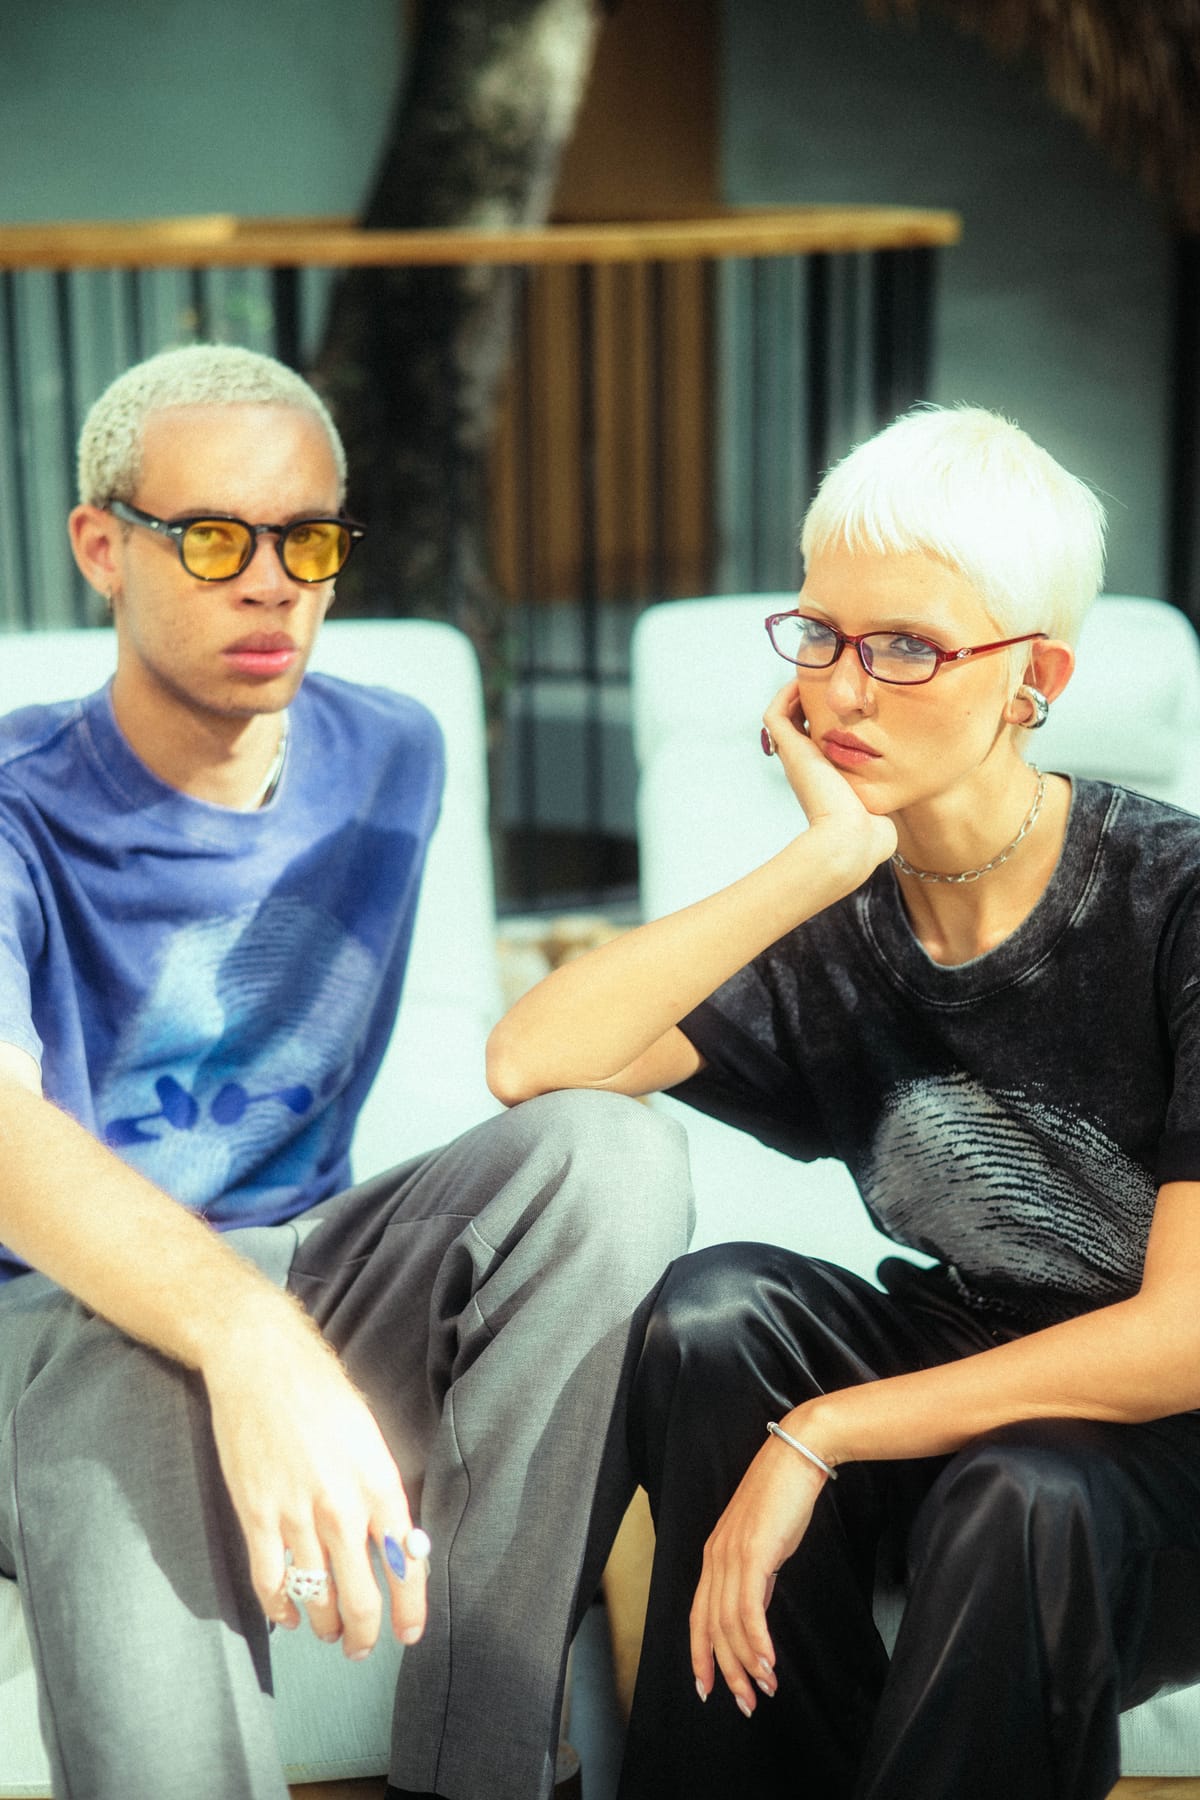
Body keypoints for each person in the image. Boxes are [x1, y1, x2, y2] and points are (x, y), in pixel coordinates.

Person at [0, 342, 690, 1800]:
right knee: (143, 1361)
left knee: (611, 1153)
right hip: (42, 1326)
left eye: (307, 538)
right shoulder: (14, 808)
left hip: (307, 1276)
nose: (272, 583)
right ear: (102, 548)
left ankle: (482, 1773)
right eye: (213, 538)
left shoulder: (393, 753)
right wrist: (244, 1337)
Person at [487, 404, 1200, 1800]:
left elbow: (1184, 1340)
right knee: (716, 1314)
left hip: (1158, 1458)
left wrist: (827, 1431)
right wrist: (820, 860)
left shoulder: (1174, 904)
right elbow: (535, 1060)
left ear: (1033, 678)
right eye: (820, 636)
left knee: (1022, 1496)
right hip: (972, 1373)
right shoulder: (839, 918)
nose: (846, 690)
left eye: (908, 647)